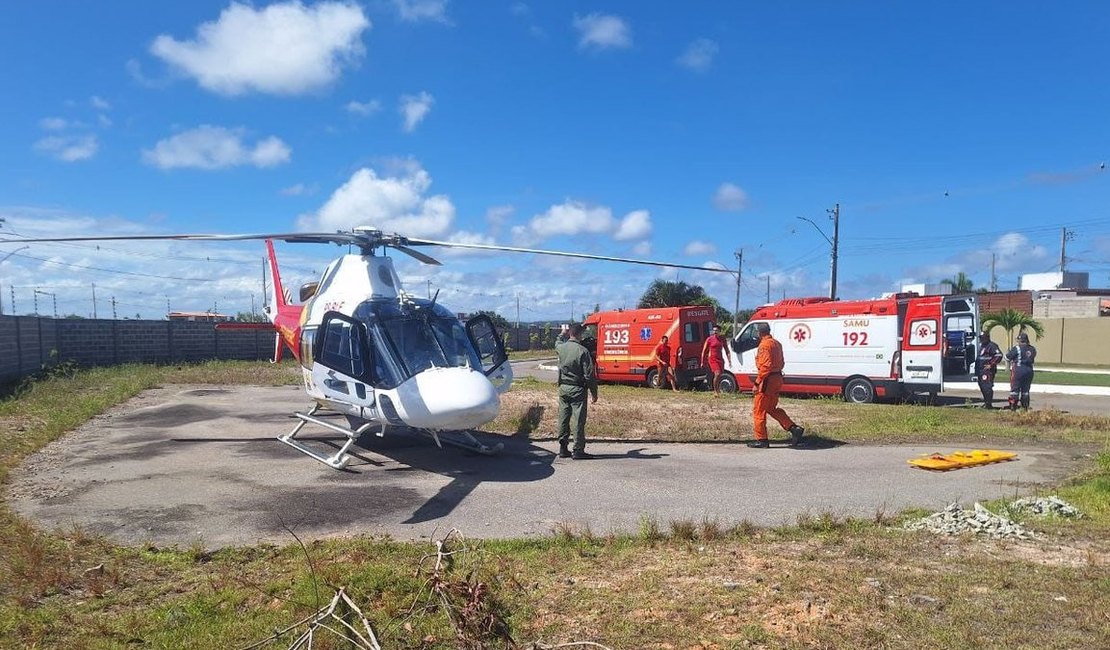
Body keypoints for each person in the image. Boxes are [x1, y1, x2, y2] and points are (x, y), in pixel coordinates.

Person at [748, 323, 805, 449]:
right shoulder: (777, 343)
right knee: (771, 408)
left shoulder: (764, 345)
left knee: (759, 410)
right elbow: (782, 362)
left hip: (767, 381)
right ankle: (793, 428)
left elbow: (765, 367)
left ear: (759, 333)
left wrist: (757, 383)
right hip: (777, 378)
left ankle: (762, 440)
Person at [555, 322, 599, 459]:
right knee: (578, 420)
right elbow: (589, 375)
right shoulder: (582, 351)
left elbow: (557, 341)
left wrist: (562, 332)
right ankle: (578, 449)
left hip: (563, 388)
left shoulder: (561, 348)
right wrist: (594, 392)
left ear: (570, 333)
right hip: (577, 389)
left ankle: (563, 448)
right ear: (580, 334)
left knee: (563, 417)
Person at [1006, 331, 1037, 410]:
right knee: (1026, 390)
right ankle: (1025, 406)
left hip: (1018, 370)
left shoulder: (1017, 348)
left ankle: (1013, 406)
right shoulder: (1032, 349)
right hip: (1029, 370)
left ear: (1020, 340)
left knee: (1015, 389)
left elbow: (1008, 357)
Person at [975, 331, 1004, 409]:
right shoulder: (982, 346)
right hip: (980, 370)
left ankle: (989, 404)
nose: (981, 339)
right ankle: (986, 402)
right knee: (982, 386)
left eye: (983, 338)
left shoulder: (992, 346)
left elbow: (999, 355)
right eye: (981, 338)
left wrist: (991, 364)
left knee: (987, 387)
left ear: (987, 337)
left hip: (987, 371)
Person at [701, 324, 728, 396]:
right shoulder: (709, 339)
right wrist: (702, 361)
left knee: (720, 375)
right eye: (714, 330)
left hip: (720, 359)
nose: (715, 332)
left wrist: (729, 359)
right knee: (717, 373)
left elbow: (726, 349)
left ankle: (718, 389)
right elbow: (704, 351)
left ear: (720, 331)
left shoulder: (722, 339)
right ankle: (715, 391)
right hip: (712, 359)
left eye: (716, 330)